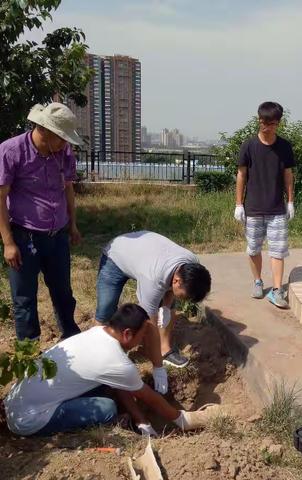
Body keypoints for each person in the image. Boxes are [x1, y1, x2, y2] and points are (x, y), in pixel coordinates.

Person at [4, 303, 220, 436]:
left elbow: (119, 381)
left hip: (17, 402)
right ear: (127, 334)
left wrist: (141, 420)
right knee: (107, 408)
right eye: (142, 336)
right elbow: (151, 399)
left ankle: (137, 421)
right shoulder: (116, 361)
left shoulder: (99, 333)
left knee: (108, 389)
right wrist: (184, 420)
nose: (144, 342)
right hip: (30, 420)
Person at [0, 103, 83, 341]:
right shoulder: (11, 151)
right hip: (24, 237)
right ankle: (29, 352)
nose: (65, 144)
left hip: (57, 237)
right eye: (62, 138)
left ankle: (70, 336)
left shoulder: (63, 153)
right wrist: (8, 243)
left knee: (63, 292)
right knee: (24, 298)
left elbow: (68, 189)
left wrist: (72, 224)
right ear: (44, 130)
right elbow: (0, 198)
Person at [95, 231, 211, 393]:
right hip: (116, 257)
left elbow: (170, 285)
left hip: (145, 255)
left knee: (169, 306)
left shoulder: (191, 263)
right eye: (185, 296)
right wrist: (158, 368)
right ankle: (100, 354)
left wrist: (165, 306)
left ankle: (165, 349)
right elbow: (149, 325)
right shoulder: (153, 279)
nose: (185, 301)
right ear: (177, 281)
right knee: (105, 310)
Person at [234, 101, 295, 309]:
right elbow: (241, 175)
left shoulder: (285, 147)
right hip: (253, 208)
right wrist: (238, 204)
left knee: (277, 250)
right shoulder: (249, 146)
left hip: (277, 208)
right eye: (262, 122)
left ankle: (277, 290)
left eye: (269, 123)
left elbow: (288, 175)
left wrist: (291, 202)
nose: (265, 126)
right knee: (253, 248)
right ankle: (258, 281)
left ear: (278, 123)